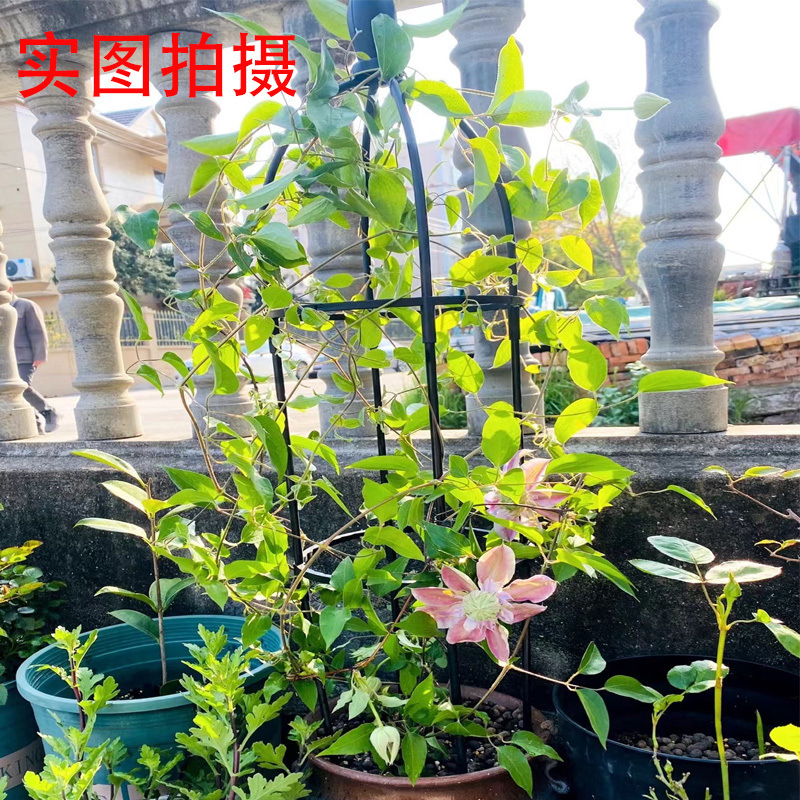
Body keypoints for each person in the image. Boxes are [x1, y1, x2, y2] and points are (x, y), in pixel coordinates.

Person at [9, 286, 59, 433]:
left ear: (10, 289)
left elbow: (38, 332)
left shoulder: (26, 305)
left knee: (22, 387)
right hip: (7, 360)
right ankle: (34, 424)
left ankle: (48, 411)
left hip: (25, 357)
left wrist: (39, 355)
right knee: (11, 393)